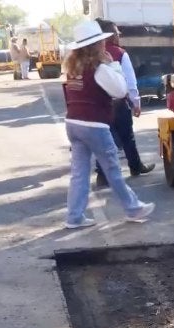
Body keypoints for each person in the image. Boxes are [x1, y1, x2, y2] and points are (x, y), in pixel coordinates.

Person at [61, 20, 155, 230]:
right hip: (94, 124)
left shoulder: (73, 68)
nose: (105, 44)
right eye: (102, 42)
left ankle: (74, 216)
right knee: (112, 168)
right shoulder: (100, 69)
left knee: (79, 172)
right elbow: (120, 91)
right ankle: (132, 208)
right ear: (96, 46)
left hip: (73, 123)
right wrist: (113, 65)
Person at [93, 19, 155, 188]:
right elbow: (130, 81)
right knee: (126, 136)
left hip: (99, 105)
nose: (119, 36)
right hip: (119, 103)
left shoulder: (91, 54)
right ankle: (135, 167)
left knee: (104, 138)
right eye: (117, 33)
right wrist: (136, 102)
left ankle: (102, 174)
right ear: (110, 35)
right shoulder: (120, 53)